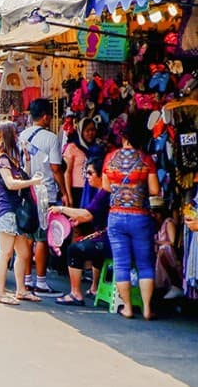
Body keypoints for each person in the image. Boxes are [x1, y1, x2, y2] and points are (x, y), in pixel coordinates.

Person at [102, 112, 160, 320]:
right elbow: (154, 190)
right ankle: (146, 308)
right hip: (140, 217)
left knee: (121, 263)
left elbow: (106, 186)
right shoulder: (146, 160)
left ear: (124, 138)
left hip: (116, 216)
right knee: (145, 263)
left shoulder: (110, 158)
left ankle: (127, 307)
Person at [19, 98, 70, 297]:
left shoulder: (22, 135)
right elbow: (56, 168)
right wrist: (64, 193)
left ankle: (27, 279)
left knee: (27, 236)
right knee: (41, 237)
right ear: (46, 116)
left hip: (26, 190)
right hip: (44, 192)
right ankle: (40, 281)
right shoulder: (50, 138)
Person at [0, 121, 44, 306]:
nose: (18, 136)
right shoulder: (2, 159)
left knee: (23, 252)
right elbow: (11, 183)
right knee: (5, 253)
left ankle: (21, 290)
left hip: (14, 211)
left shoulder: (11, 159)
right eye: (15, 133)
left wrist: (27, 161)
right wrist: (33, 183)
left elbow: (21, 179)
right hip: (6, 210)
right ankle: (0, 292)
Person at [52, 157, 110, 306]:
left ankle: (76, 293)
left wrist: (62, 209)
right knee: (91, 246)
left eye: (90, 173)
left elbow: (87, 214)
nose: (88, 177)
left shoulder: (104, 193)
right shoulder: (101, 192)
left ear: (100, 174)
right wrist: (80, 219)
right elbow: (91, 214)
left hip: (109, 239)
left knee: (74, 250)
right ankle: (94, 288)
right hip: (106, 237)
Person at [64, 118, 99, 207]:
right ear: (81, 132)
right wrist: (69, 196)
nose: (90, 133)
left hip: (93, 190)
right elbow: (67, 173)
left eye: (93, 130)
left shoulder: (97, 148)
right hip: (77, 191)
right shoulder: (72, 147)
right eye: (87, 130)